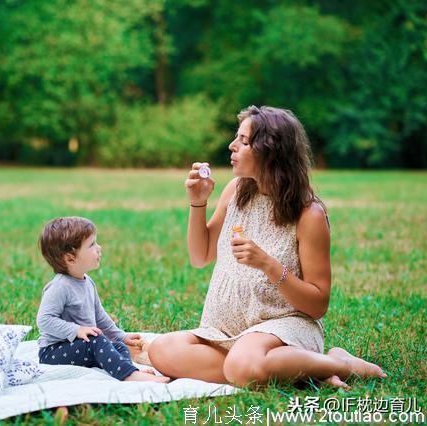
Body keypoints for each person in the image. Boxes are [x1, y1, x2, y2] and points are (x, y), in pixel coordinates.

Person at [147, 106, 386, 389]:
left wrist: (268, 265)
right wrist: (198, 202)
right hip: (226, 330)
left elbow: (318, 304)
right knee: (161, 349)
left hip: (281, 326)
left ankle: (339, 363)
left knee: (241, 364)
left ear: (271, 151)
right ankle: (288, 369)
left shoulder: (309, 215)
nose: (231, 146)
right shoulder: (235, 191)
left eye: (244, 141)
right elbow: (200, 257)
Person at [36, 216, 170, 383]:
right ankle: (130, 375)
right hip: (54, 352)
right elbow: (44, 320)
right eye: (92, 244)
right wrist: (76, 330)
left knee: (118, 346)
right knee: (97, 341)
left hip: (82, 346)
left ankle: (128, 371)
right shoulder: (60, 287)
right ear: (70, 258)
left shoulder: (87, 282)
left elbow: (99, 316)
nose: (99, 248)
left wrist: (120, 336)